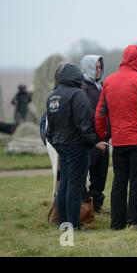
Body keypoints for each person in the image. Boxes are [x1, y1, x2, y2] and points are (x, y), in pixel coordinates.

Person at [95, 45, 137, 230]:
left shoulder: (108, 81)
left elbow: (100, 113)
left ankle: (117, 223)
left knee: (119, 181)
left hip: (119, 140)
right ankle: (134, 221)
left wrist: (101, 134)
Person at [45, 63, 97, 230]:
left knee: (65, 185)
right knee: (75, 187)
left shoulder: (53, 96)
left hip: (61, 145)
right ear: (76, 77)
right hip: (77, 146)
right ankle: (73, 225)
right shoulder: (78, 94)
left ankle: (63, 223)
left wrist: (57, 143)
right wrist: (92, 142)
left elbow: (49, 129)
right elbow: (85, 124)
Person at [80, 55, 110, 213]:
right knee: (84, 174)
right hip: (89, 139)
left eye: (100, 67)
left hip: (103, 138)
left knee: (100, 174)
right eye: (95, 67)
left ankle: (97, 205)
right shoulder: (82, 88)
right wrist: (93, 140)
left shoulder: (102, 86)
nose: (98, 70)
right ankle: (85, 207)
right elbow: (85, 116)